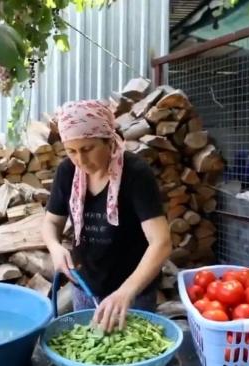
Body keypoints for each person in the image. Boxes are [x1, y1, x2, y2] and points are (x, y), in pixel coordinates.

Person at [42, 100, 172, 332]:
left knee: (130, 353)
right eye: (71, 151)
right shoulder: (67, 171)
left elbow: (161, 242)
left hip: (134, 291)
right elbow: (51, 222)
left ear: (108, 139)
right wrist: (54, 247)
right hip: (85, 286)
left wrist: (126, 292)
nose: (80, 161)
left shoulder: (136, 173)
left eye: (87, 149)